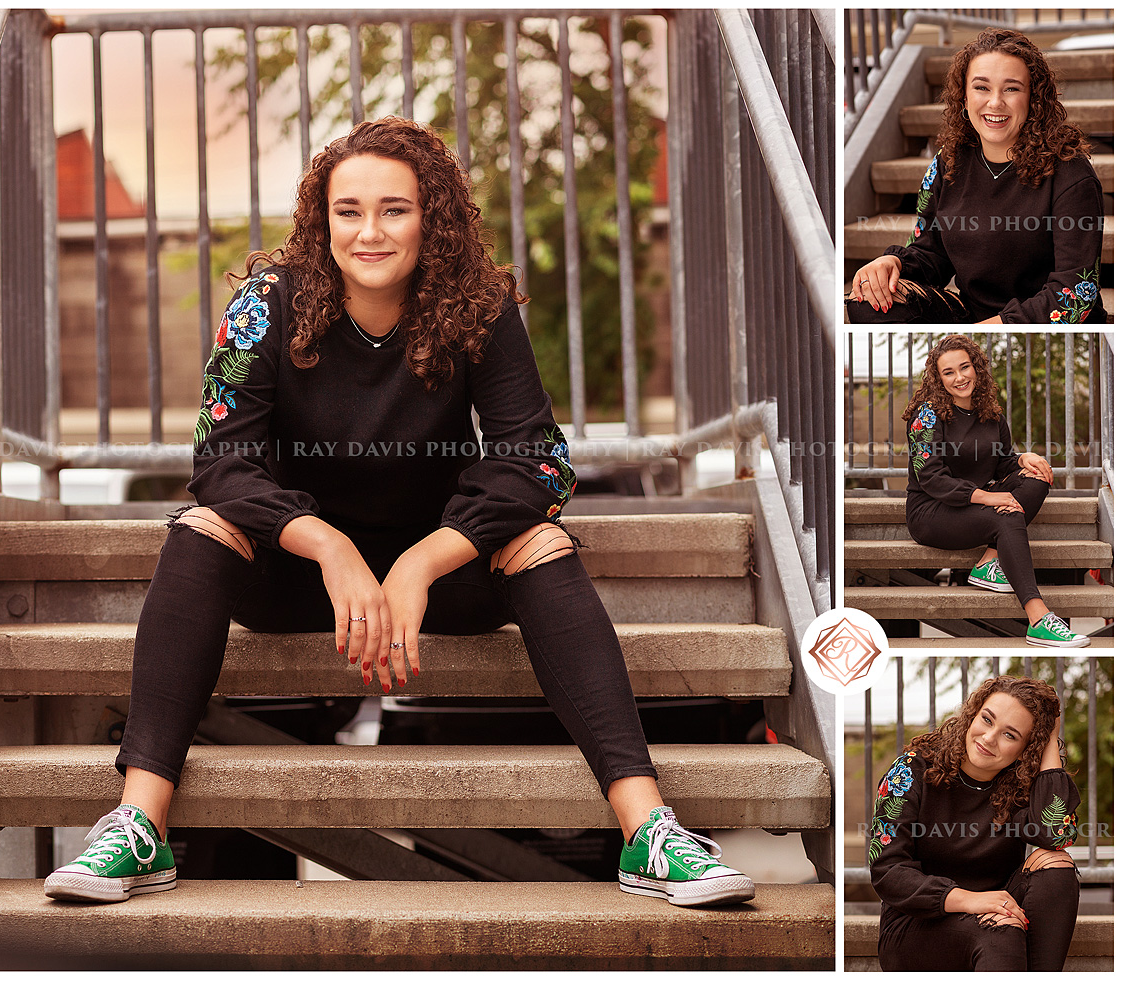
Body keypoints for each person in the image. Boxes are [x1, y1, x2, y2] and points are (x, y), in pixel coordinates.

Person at [42, 116, 754, 908]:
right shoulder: (265, 303)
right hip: (302, 575)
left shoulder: (477, 302)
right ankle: (139, 826)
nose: (369, 231)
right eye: (348, 211)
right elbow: (221, 460)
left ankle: (648, 833)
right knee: (202, 530)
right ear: (323, 219)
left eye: (394, 209)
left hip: (439, 577)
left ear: (432, 218)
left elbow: (538, 457)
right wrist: (328, 546)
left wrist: (424, 559)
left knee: (542, 540)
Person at [848, 27, 1105, 324]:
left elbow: (1077, 292)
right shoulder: (949, 161)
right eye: (982, 87)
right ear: (964, 98)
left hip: (1041, 318)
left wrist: (994, 328)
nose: (995, 102)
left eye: (1011, 88)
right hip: (971, 312)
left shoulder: (1070, 173)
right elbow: (931, 252)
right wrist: (891, 263)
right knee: (866, 301)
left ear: (1034, 99)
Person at [869, 675, 1081, 971]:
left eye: (1011, 735)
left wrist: (1048, 746)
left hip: (999, 914)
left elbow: (1056, 834)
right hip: (916, 927)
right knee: (998, 926)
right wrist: (970, 901)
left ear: (1026, 748)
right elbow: (887, 871)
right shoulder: (910, 771)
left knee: (1056, 865)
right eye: (987, 719)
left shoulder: (1019, 785)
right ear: (972, 715)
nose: (989, 738)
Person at [902, 334, 1089, 647]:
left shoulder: (991, 415)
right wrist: (988, 497)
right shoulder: (927, 415)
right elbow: (931, 478)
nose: (960, 377)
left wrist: (1022, 458)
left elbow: (1003, 465)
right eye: (949, 372)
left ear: (977, 368)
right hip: (931, 512)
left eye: (965, 367)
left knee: (1037, 478)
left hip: (972, 504)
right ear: (939, 378)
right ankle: (1039, 619)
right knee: (1007, 515)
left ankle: (990, 561)